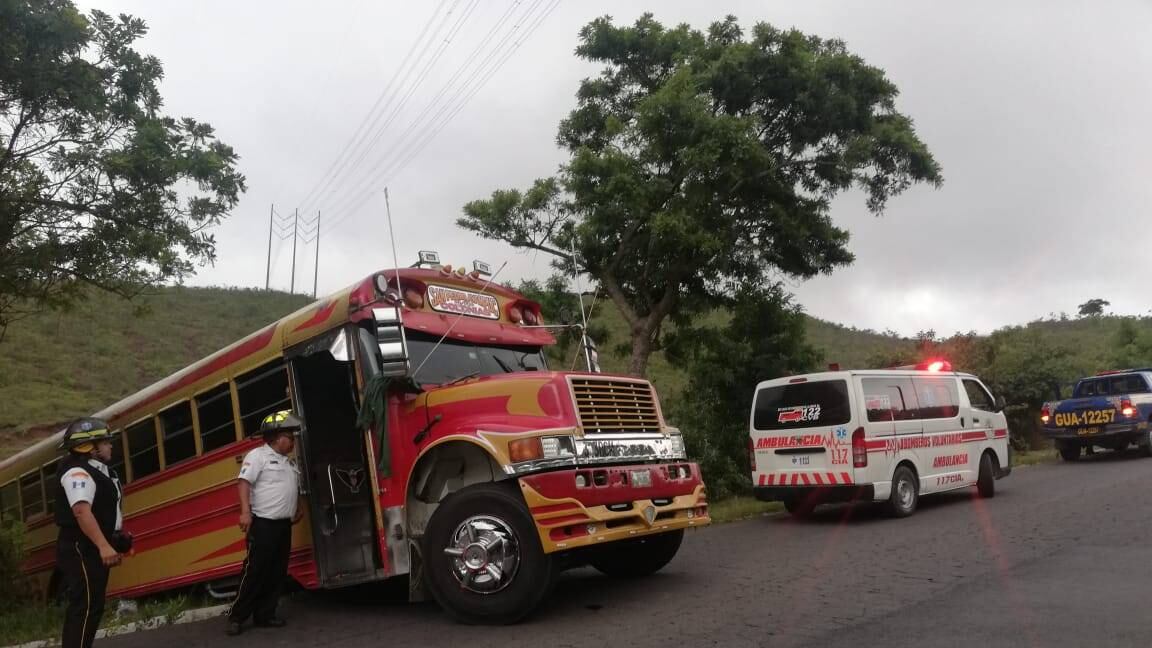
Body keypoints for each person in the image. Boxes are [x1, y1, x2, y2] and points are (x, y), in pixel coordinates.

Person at [225, 410, 304, 636]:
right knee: (255, 571)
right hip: (263, 525)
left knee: (277, 572)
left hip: (283, 526)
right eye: (289, 437)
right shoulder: (257, 456)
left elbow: (293, 487)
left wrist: (297, 507)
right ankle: (237, 617)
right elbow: (244, 483)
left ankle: (265, 615)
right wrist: (245, 512)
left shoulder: (289, 463)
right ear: (277, 437)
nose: (293, 441)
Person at [55, 417, 131, 648]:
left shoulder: (101, 471)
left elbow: (103, 511)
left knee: (92, 606)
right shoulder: (77, 472)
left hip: (91, 546)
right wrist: (103, 545)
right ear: (89, 447)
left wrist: (116, 539)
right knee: (85, 607)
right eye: (105, 441)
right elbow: (81, 511)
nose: (110, 445)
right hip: (81, 547)